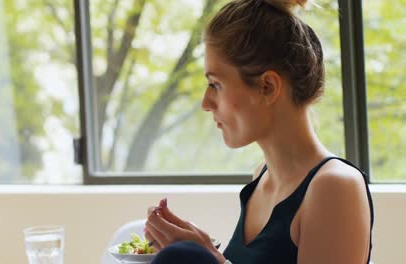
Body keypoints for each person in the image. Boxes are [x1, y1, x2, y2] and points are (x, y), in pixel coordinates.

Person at [144, 0, 374, 263]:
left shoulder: (333, 187)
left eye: (215, 84)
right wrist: (203, 250)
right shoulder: (262, 176)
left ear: (267, 87)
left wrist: (206, 257)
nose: (205, 103)